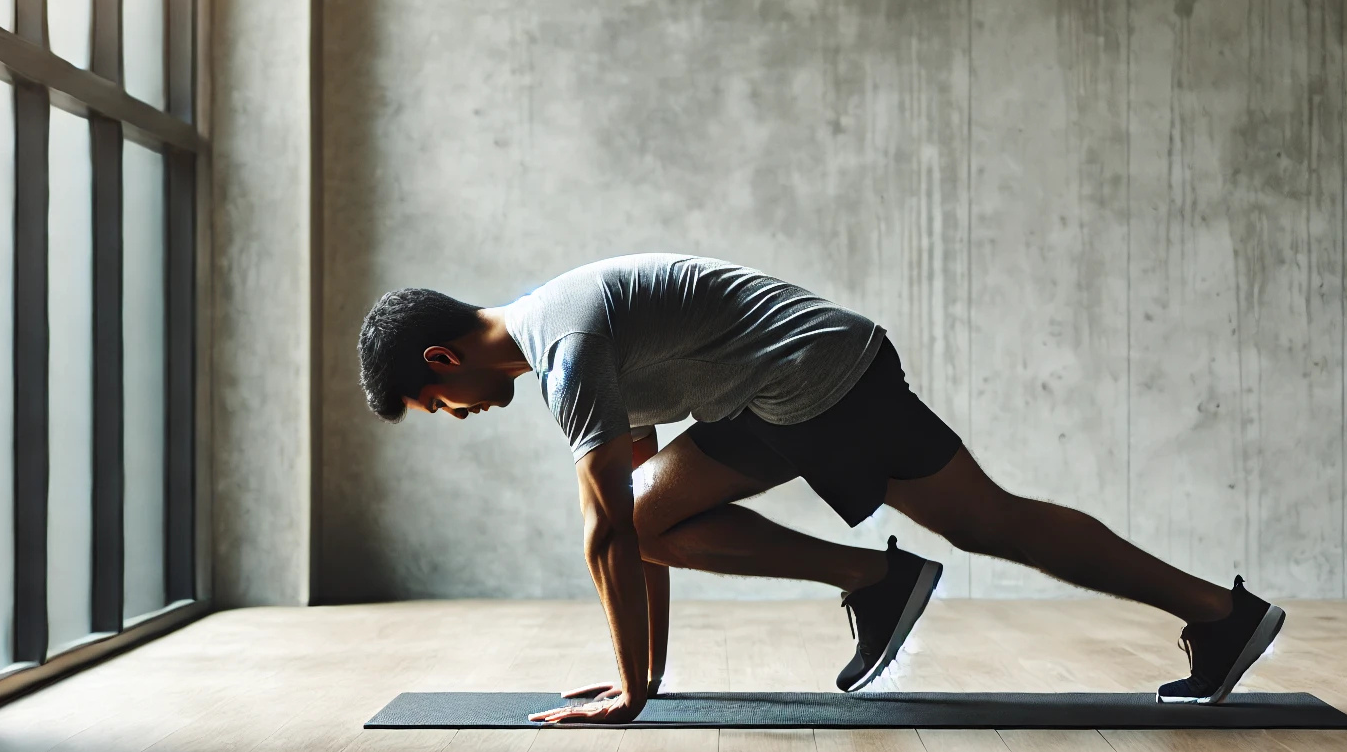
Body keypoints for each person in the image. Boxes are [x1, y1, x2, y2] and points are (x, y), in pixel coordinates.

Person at [356, 254, 1286, 725]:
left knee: (988, 524)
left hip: (818, 380)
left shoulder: (564, 352)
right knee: (985, 523)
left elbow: (603, 535)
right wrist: (649, 678)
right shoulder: (563, 332)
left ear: (442, 359)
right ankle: (882, 583)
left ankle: (1214, 612)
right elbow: (639, 519)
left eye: (431, 399)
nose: (450, 412)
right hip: (793, 385)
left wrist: (631, 695)